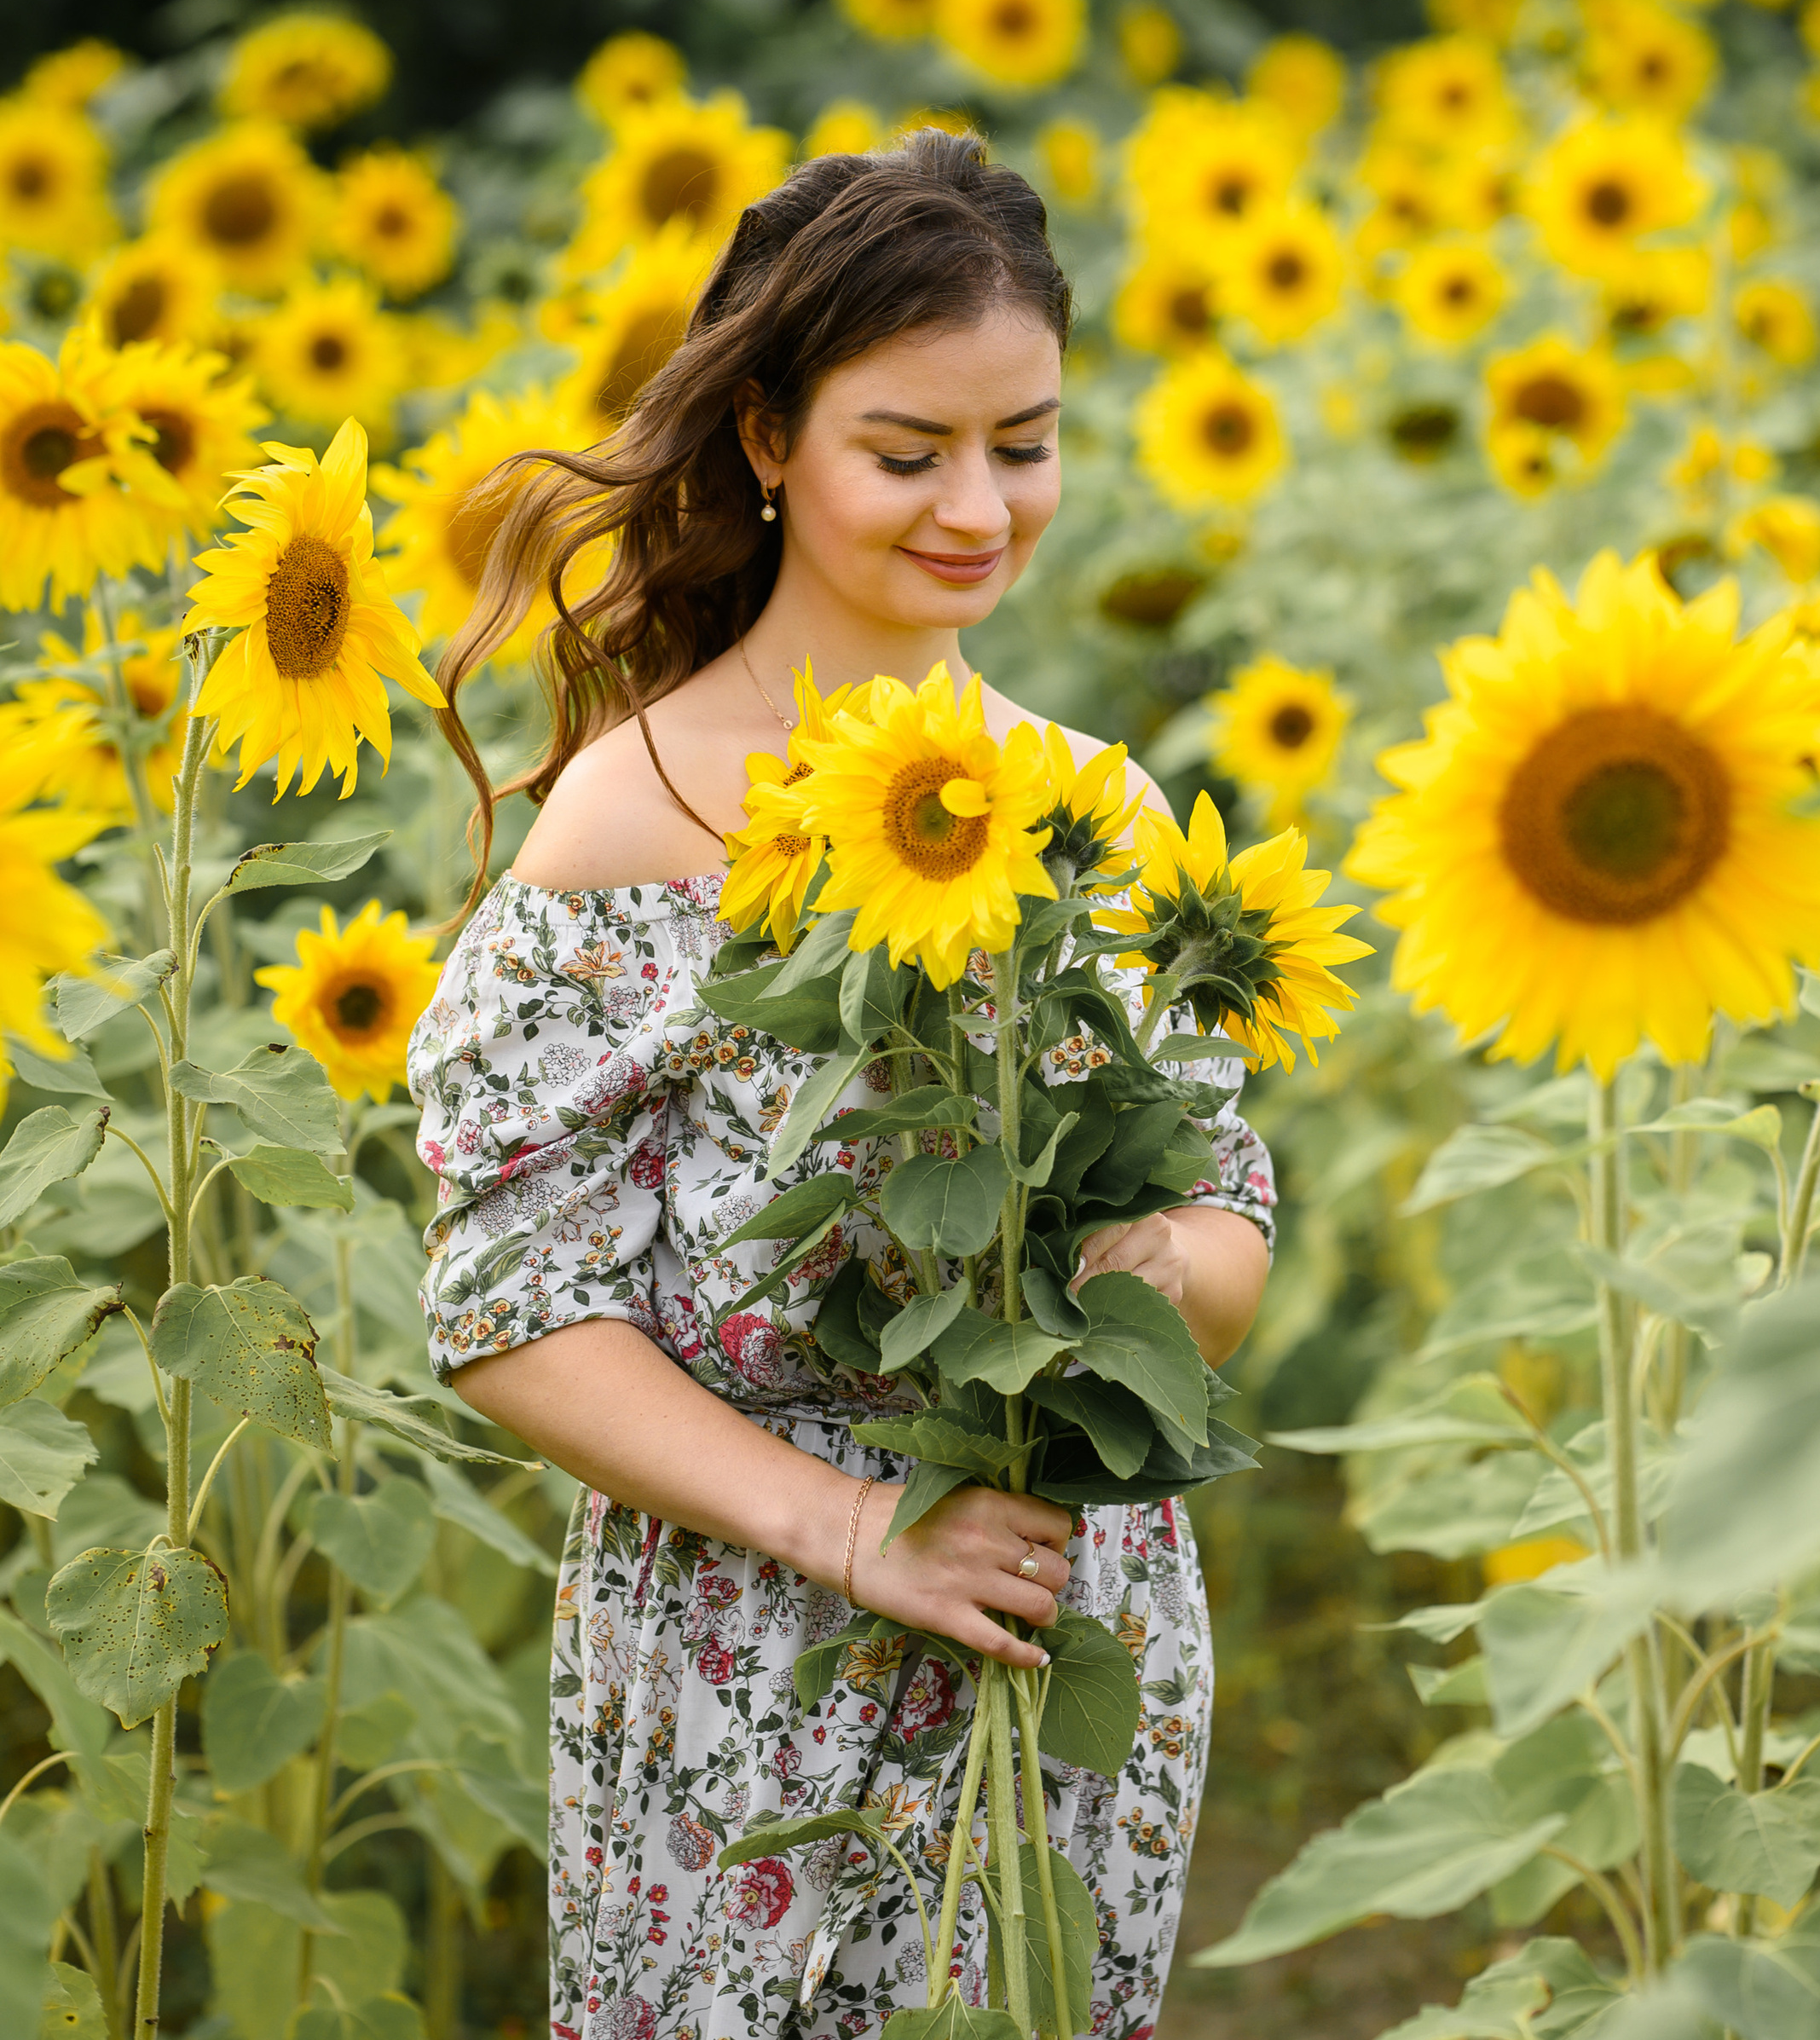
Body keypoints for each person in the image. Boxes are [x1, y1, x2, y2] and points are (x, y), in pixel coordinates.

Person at [410, 130, 1277, 2040]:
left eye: (1024, 441)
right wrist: (856, 1528)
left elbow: (1228, 1213)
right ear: (767, 444)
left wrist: (1132, 1287)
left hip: (1063, 1644)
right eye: (910, 450)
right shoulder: (634, 818)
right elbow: (505, 1304)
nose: (980, 503)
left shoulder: (1104, 809)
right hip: (750, 1663)